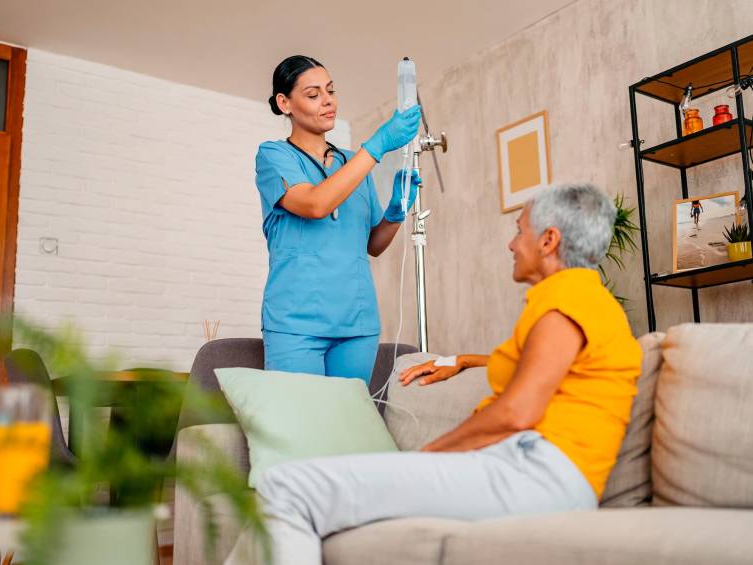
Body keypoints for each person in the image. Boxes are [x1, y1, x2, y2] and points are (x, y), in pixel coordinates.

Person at [227, 183, 643, 565]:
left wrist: (428, 454)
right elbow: (541, 368)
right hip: (537, 472)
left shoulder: (570, 299)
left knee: (286, 486)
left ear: (549, 240)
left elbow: (518, 411)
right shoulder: (581, 301)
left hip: (535, 472)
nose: (511, 243)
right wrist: (462, 360)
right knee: (311, 498)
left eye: (520, 230)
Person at [255, 55, 422, 384]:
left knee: (347, 425)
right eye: (314, 94)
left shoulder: (351, 162)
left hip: (356, 322)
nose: (328, 100)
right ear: (284, 102)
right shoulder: (274, 156)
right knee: (301, 427)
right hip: (296, 323)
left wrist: (395, 213)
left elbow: (373, 245)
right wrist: (377, 145)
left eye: (330, 90)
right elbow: (315, 204)